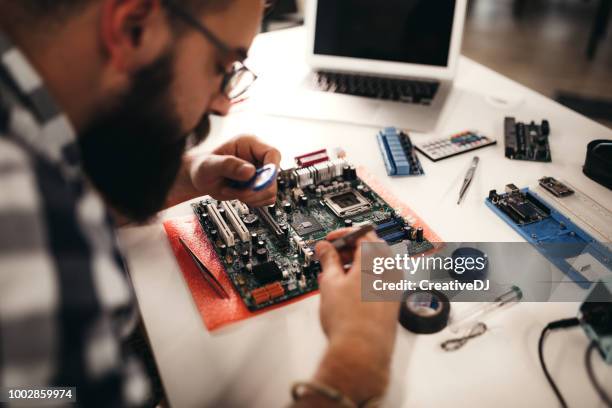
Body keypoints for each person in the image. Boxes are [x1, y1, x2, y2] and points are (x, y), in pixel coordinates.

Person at [0, 1, 398, 406]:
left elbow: (74, 180)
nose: (223, 104)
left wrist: (186, 177)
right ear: (134, 27)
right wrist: (354, 361)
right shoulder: (30, 234)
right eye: (222, 67)